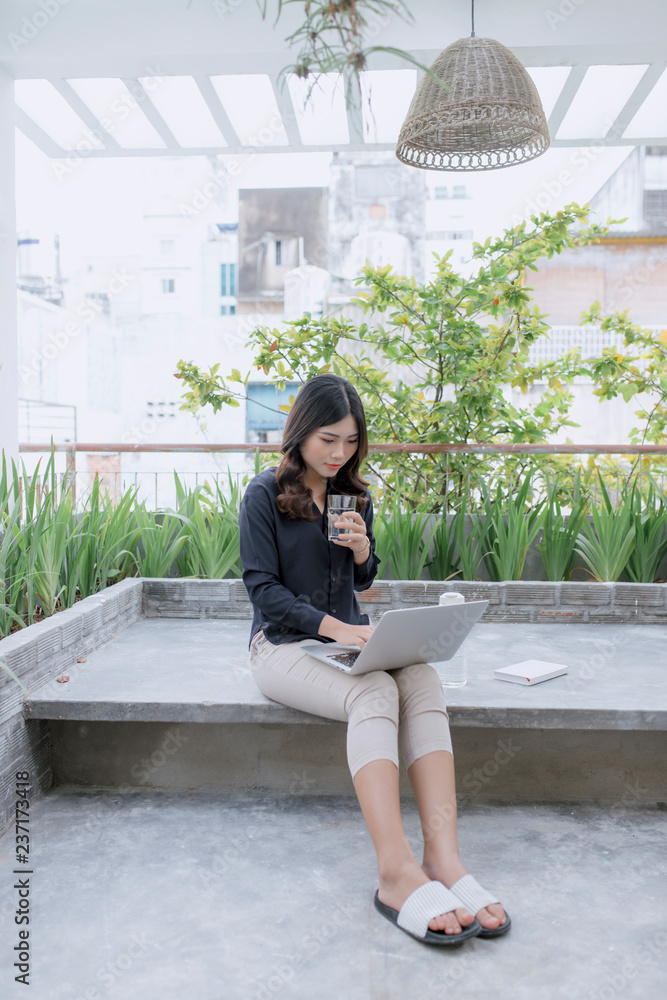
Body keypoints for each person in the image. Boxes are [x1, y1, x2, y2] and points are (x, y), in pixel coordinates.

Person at [239, 373, 510, 945]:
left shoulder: (354, 495)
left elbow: (360, 580)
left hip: (346, 643)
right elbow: (263, 591)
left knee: (421, 675)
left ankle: (444, 857)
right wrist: (338, 628)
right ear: (300, 433)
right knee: (376, 691)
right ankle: (395, 871)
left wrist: (363, 552)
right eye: (327, 440)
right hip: (283, 647)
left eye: (350, 441)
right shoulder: (263, 494)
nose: (339, 453)